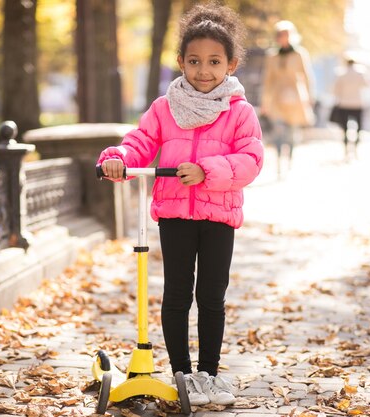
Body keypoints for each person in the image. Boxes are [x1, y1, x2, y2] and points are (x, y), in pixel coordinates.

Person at [97, 2, 264, 407]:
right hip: (175, 214)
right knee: (176, 295)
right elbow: (140, 142)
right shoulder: (164, 108)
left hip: (218, 216)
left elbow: (251, 160)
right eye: (194, 61)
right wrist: (117, 159)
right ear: (180, 62)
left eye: (213, 62)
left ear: (231, 64)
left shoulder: (239, 113)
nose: (203, 71)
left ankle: (209, 372)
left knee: (211, 295)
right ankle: (182, 373)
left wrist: (207, 170)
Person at [260, 20, 315, 177]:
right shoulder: (271, 55)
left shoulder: (300, 54)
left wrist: (310, 97)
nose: (282, 38)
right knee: (278, 131)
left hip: (295, 97)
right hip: (277, 98)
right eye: (280, 35)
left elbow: (307, 76)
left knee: (291, 132)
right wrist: (265, 101)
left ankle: (289, 160)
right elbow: (267, 80)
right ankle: (278, 162)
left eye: (285, 34)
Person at [332, 57, 370, 159]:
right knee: (359, 127)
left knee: (345, 129)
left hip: (344, 104)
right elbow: (366, 85)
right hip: (357, 103)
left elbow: (335, 90)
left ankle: (346, 148)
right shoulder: (360, 73)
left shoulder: (341, 74)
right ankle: (356, 148)